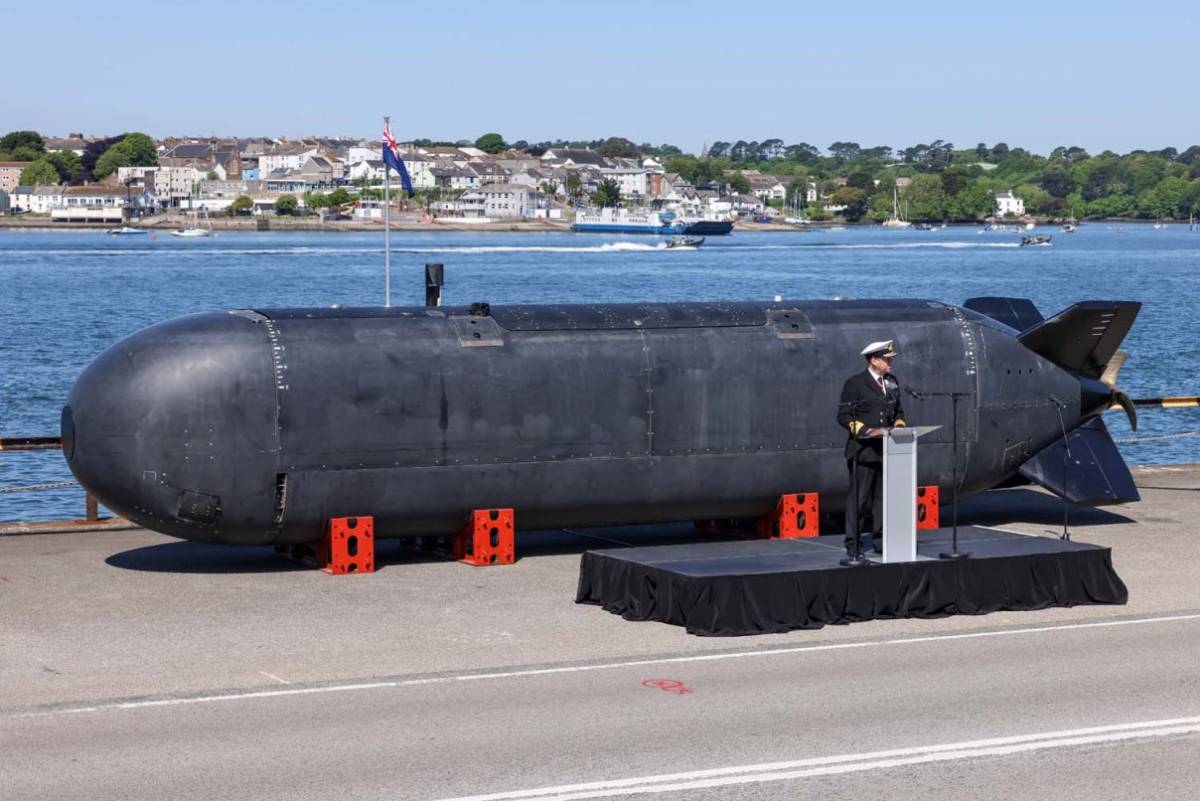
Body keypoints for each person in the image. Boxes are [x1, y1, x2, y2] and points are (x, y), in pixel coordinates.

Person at [836, 339, 906, 556]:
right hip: (863, 452)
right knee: (859, 500)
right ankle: (853, 545)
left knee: (882, 502)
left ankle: (880, 542)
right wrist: (865, 431)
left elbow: (898, 411)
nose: (890, 363)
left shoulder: (892, 382)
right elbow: (843, 415)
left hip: (886, 450)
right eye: (887, 359)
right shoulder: (855, 383)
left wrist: (900, 427)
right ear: (874, 360)